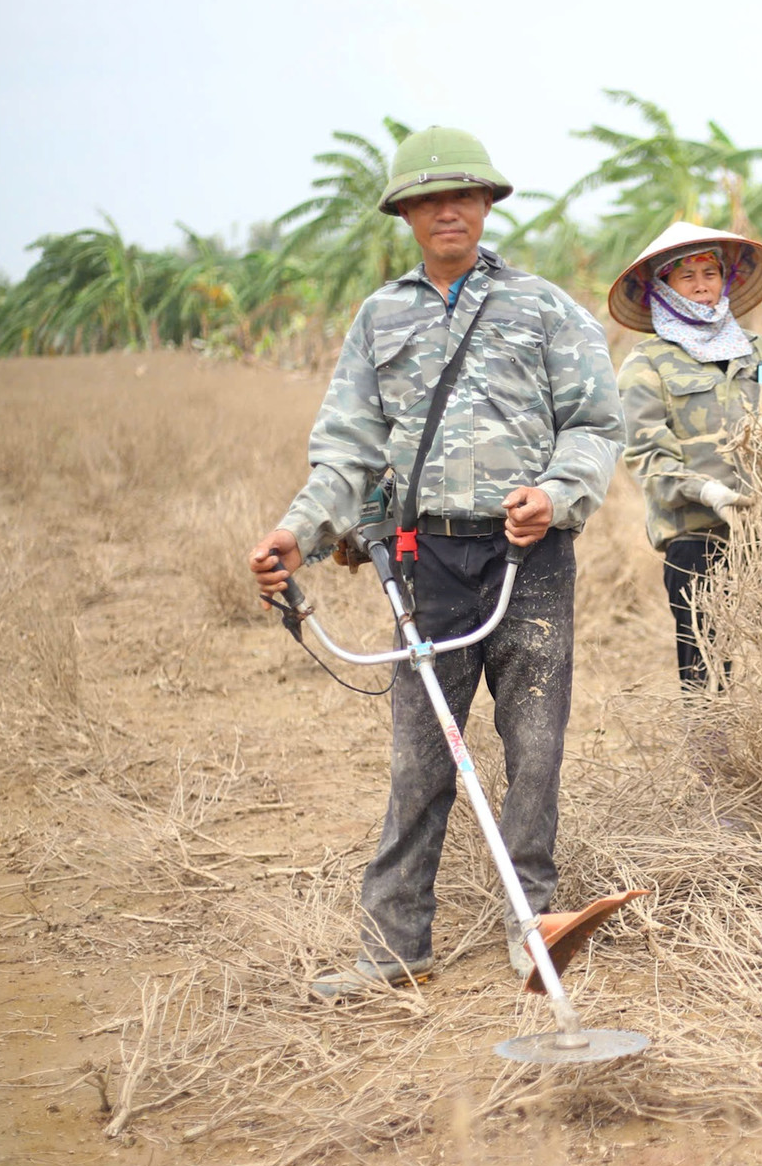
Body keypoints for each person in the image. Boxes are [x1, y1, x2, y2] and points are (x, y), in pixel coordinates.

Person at [247, 126, 624, 998]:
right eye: (427, 198)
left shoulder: (543, 308)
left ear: (489, 205)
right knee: (423, 755)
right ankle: (393, 944)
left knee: (533, 746)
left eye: (463, 195)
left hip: (530, 556)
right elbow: (345, 453)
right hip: (429, 562)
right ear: (406, 213)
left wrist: (557, 494)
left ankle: (534, 929)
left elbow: (597, 427)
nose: (447, 210)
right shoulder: (381, 317)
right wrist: (295, 533)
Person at [609, 224, 762, 694]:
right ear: (661, 289)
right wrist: (707, 491)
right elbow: (646, 456)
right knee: (706, 670)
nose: (702, 285)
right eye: (687, 277)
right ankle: (715, 762)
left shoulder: (761, 352)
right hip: (697, 536)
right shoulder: (648, 364)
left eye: (710, 272)